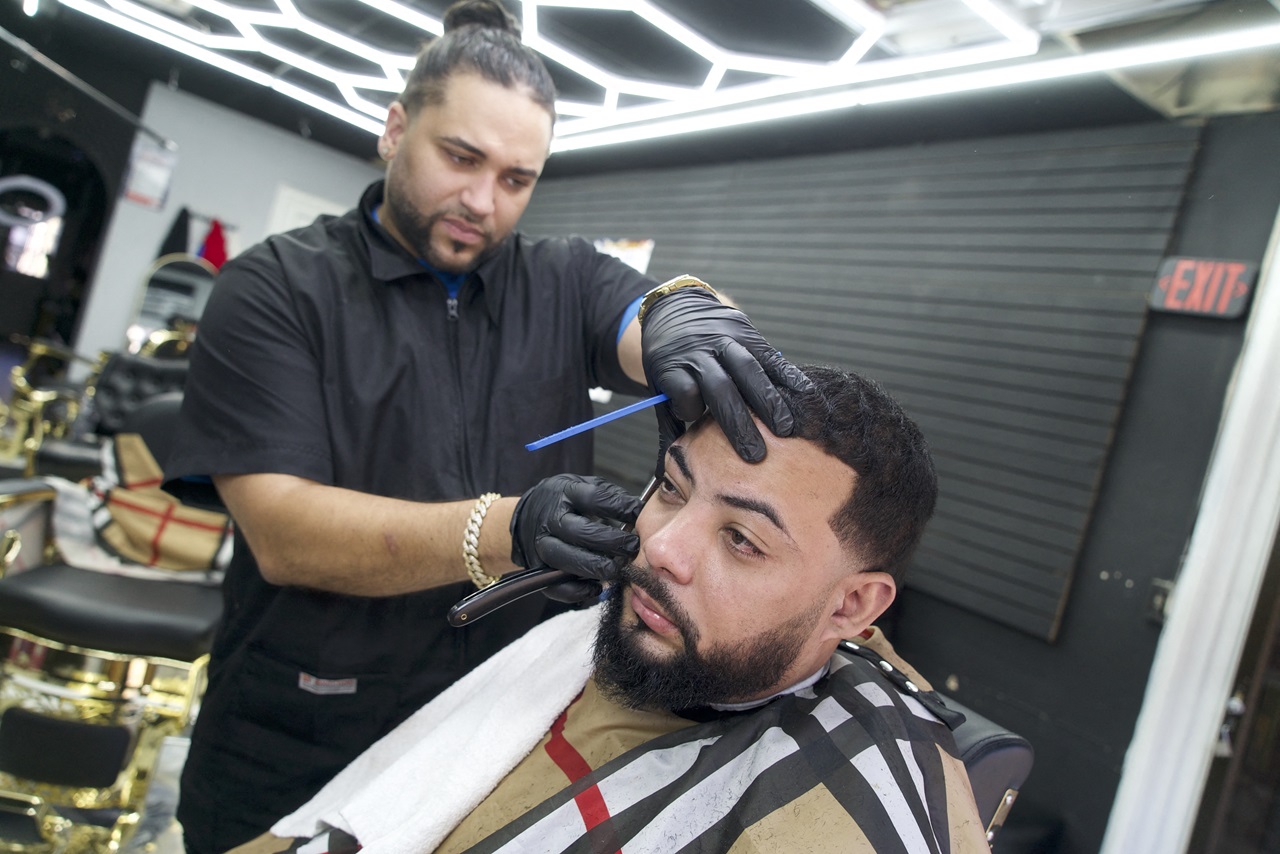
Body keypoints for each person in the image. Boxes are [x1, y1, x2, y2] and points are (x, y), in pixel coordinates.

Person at [162, 2, 810, 851]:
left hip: (494, 727)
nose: (482, 202)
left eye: (516, 179)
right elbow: (286, 533)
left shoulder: (563, 281)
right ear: (396, 129)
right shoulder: (276, 290)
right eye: (460, 158)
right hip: (300, 727)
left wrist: (690, 317)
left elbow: (647, 309)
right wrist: (504, 530)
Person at [226, 364, 990, 854]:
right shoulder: (581, 642)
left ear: (854, 604)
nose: (660, 549)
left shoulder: (849, 794)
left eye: (742, 540)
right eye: (671, 489)